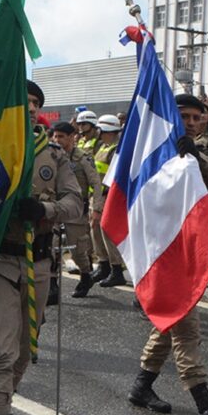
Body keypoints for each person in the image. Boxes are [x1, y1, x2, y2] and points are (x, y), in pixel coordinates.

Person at [0, 81, 81, 415]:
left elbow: (75, 202)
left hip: (38, 263)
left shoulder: (54, 155)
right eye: (23, 101)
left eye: (35, 103)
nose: (30, 108)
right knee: (0, 352)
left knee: (22, 354)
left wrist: (44, 208)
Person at [127, 93, 208, 415]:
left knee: (170, 320)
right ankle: (206, 409)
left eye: (196, 117)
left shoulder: (201, 149)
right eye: (183, 116)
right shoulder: (153, 150)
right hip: (162, 249)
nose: (190, 122)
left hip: (191, 248)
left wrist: (196, 157)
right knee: (187, 330)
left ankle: (142, 385)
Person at [50, 121, 101, 298]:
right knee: (51, 247)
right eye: (55, 136)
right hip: (55, 208)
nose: (57, 140)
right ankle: (52, 284)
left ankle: (86, 275)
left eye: (61, 137)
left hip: (76, 211)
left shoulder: (83, 158)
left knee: (77, 250)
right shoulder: (51, 155)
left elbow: (96, 183)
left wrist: (97, 209)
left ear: (72, 137)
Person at [88, 114, 126, 287]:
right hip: (96, 196)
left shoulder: (116, 150)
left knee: (107, 232)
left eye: (101, 131)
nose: (99, 134)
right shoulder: (103, 146)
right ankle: (103, 264)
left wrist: (102, 198)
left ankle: (116, 269)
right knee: (95, 230)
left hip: (106, 196)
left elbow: (114, 179)